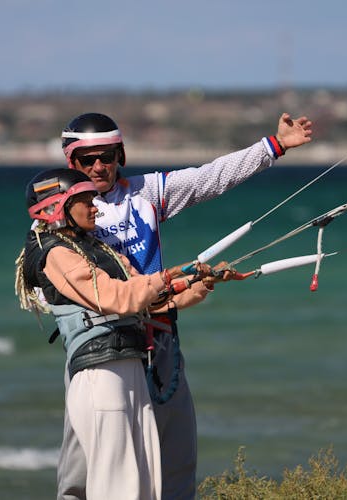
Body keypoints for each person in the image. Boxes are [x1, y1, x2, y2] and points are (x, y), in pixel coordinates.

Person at [57, 111, 313, 500]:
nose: (97, 167)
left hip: (159, 344)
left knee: (176, 465)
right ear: (70, 163)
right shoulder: (57, 219)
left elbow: (209, 177)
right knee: (84, 473)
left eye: (106, 156)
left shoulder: (145, 193)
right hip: (101, 355)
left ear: (120, 155)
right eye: (85, 160)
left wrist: (273, 147)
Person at [15, 168, 224, 499]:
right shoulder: (56, 253)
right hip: (100, 373)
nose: (96, 207)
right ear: (58, 206)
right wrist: (169, 276)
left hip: (129, 370)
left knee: (143, 485)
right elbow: (118, 297)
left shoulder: (97, 249)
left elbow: (148, 301)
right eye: (85, 201)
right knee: (119, 487)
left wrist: (199, 284)